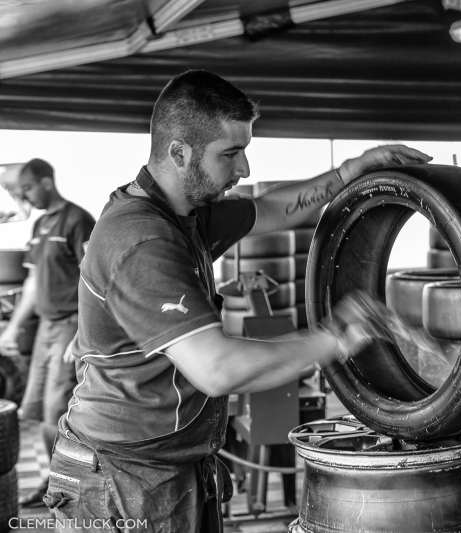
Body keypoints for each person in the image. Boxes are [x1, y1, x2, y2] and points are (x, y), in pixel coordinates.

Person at [46, 70, 431, 531]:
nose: (244, 169)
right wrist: (334, 339)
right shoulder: (141, 241)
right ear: (179, 153)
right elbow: (218, 369)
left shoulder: (186, 216)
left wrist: (351, 169)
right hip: (120, 482)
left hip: (166, 468)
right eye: (230, 154)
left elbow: (268, 209)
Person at [0, 158, 96, 506]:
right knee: (36, 408)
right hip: (44, 327)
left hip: (70, 323)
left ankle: (70, 487)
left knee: (57, 405)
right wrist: (11, 329)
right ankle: (54, 481)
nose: (24, 196)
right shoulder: (40, 224)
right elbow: (32, 283)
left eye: (27, 189)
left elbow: (93, 280)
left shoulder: (78, 220)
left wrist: (82, 332)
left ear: (45, 181)